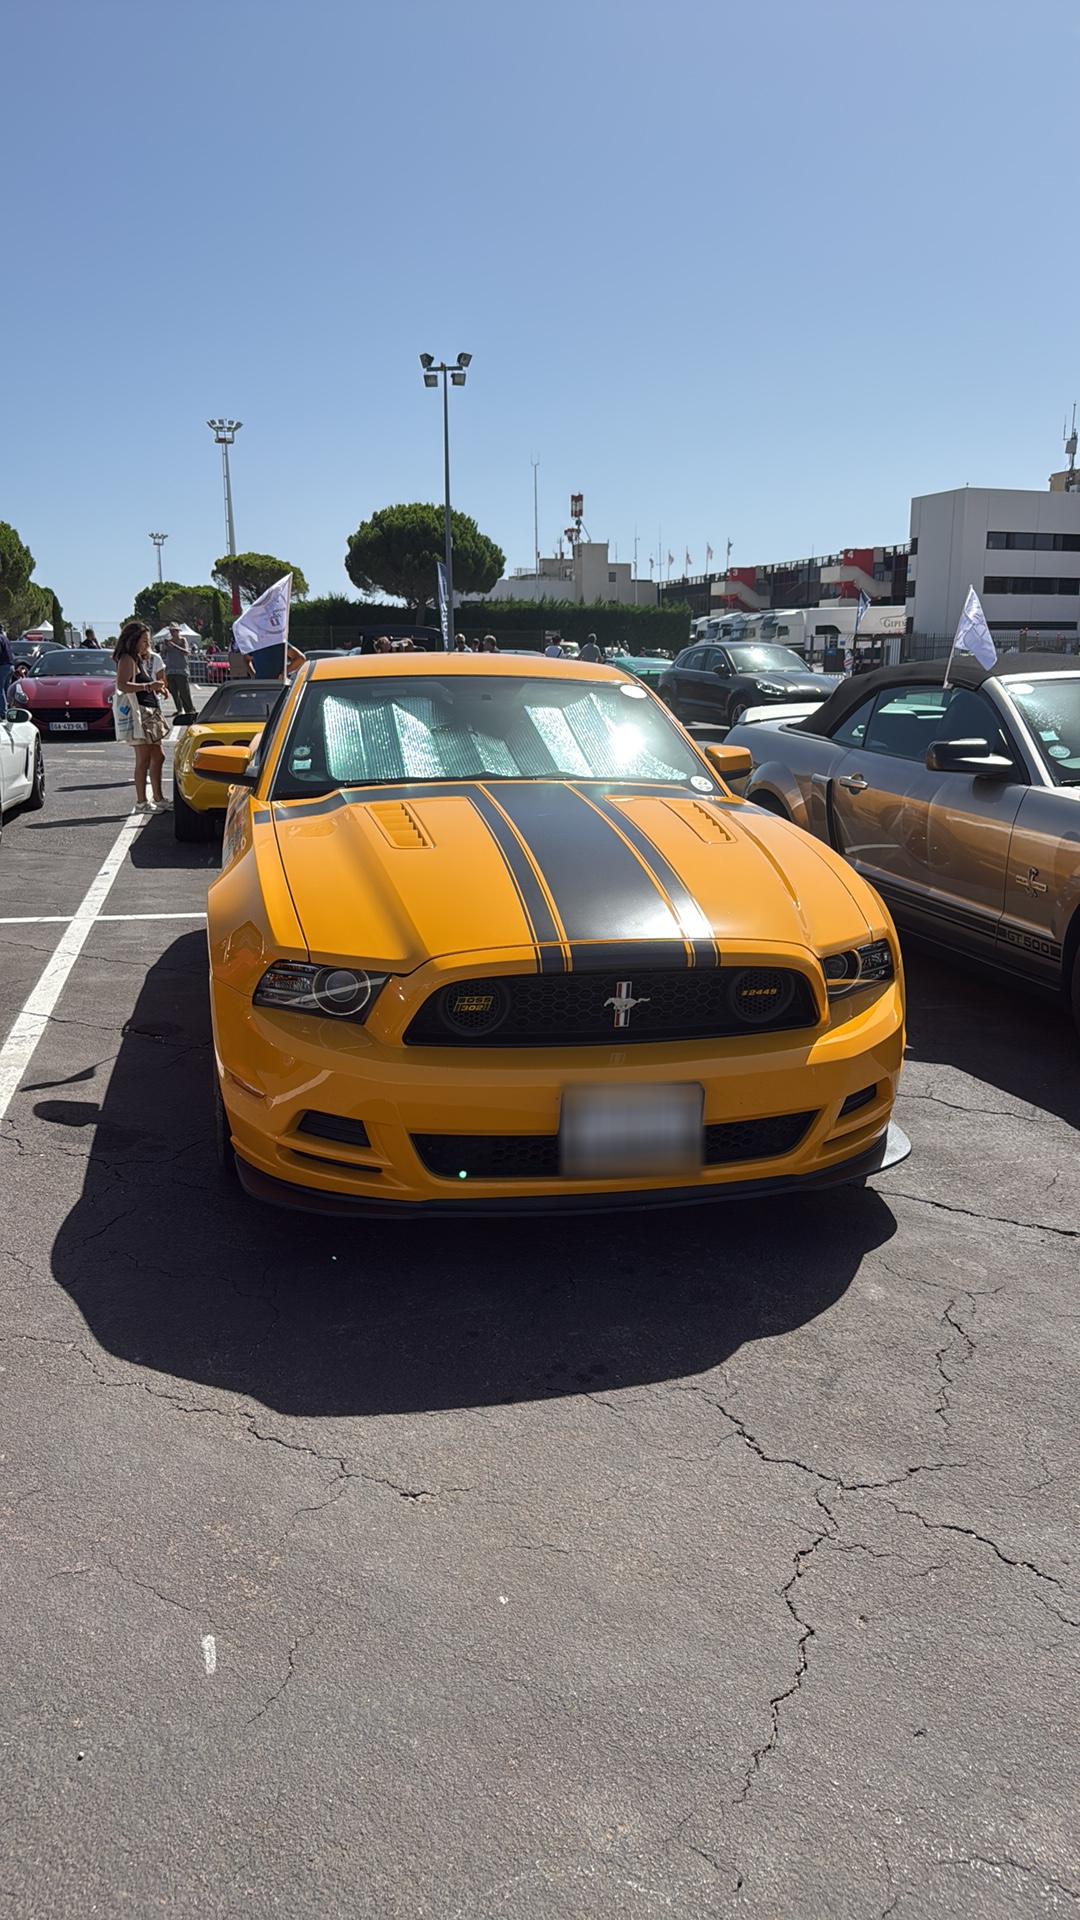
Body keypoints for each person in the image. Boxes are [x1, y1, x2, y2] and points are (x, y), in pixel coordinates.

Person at [113, 621, 170, 814]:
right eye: (144, 640)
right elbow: (122, 685)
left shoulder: (139, 658)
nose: (147, 644)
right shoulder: (127, 659)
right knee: (143, 758)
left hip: (150, 710)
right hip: (140, 713)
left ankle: (158, 797)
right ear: (134, 640)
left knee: (158, 756)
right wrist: (148, 686)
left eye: (148, 641)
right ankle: (141, 802)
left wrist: (157, 688)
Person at [162, 622, 196, 717]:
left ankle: (190, 710)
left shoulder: (183, 640)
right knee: (174, 692)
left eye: (174, 631)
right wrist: (165, 647)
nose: (172, 633)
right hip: (170, 669)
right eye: (171, 631)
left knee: (184, 692)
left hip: (181, 669)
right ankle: (179, 709)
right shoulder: (168, 641)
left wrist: (175, 646)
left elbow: (186, 652)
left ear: (178, 631)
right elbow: (163, 653)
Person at [0, 626, 13, 710]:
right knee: (6, 690)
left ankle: (3, 712)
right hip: (10, 666)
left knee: (0, 689)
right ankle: (9, 709)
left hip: (3, 665)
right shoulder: (5, 638)